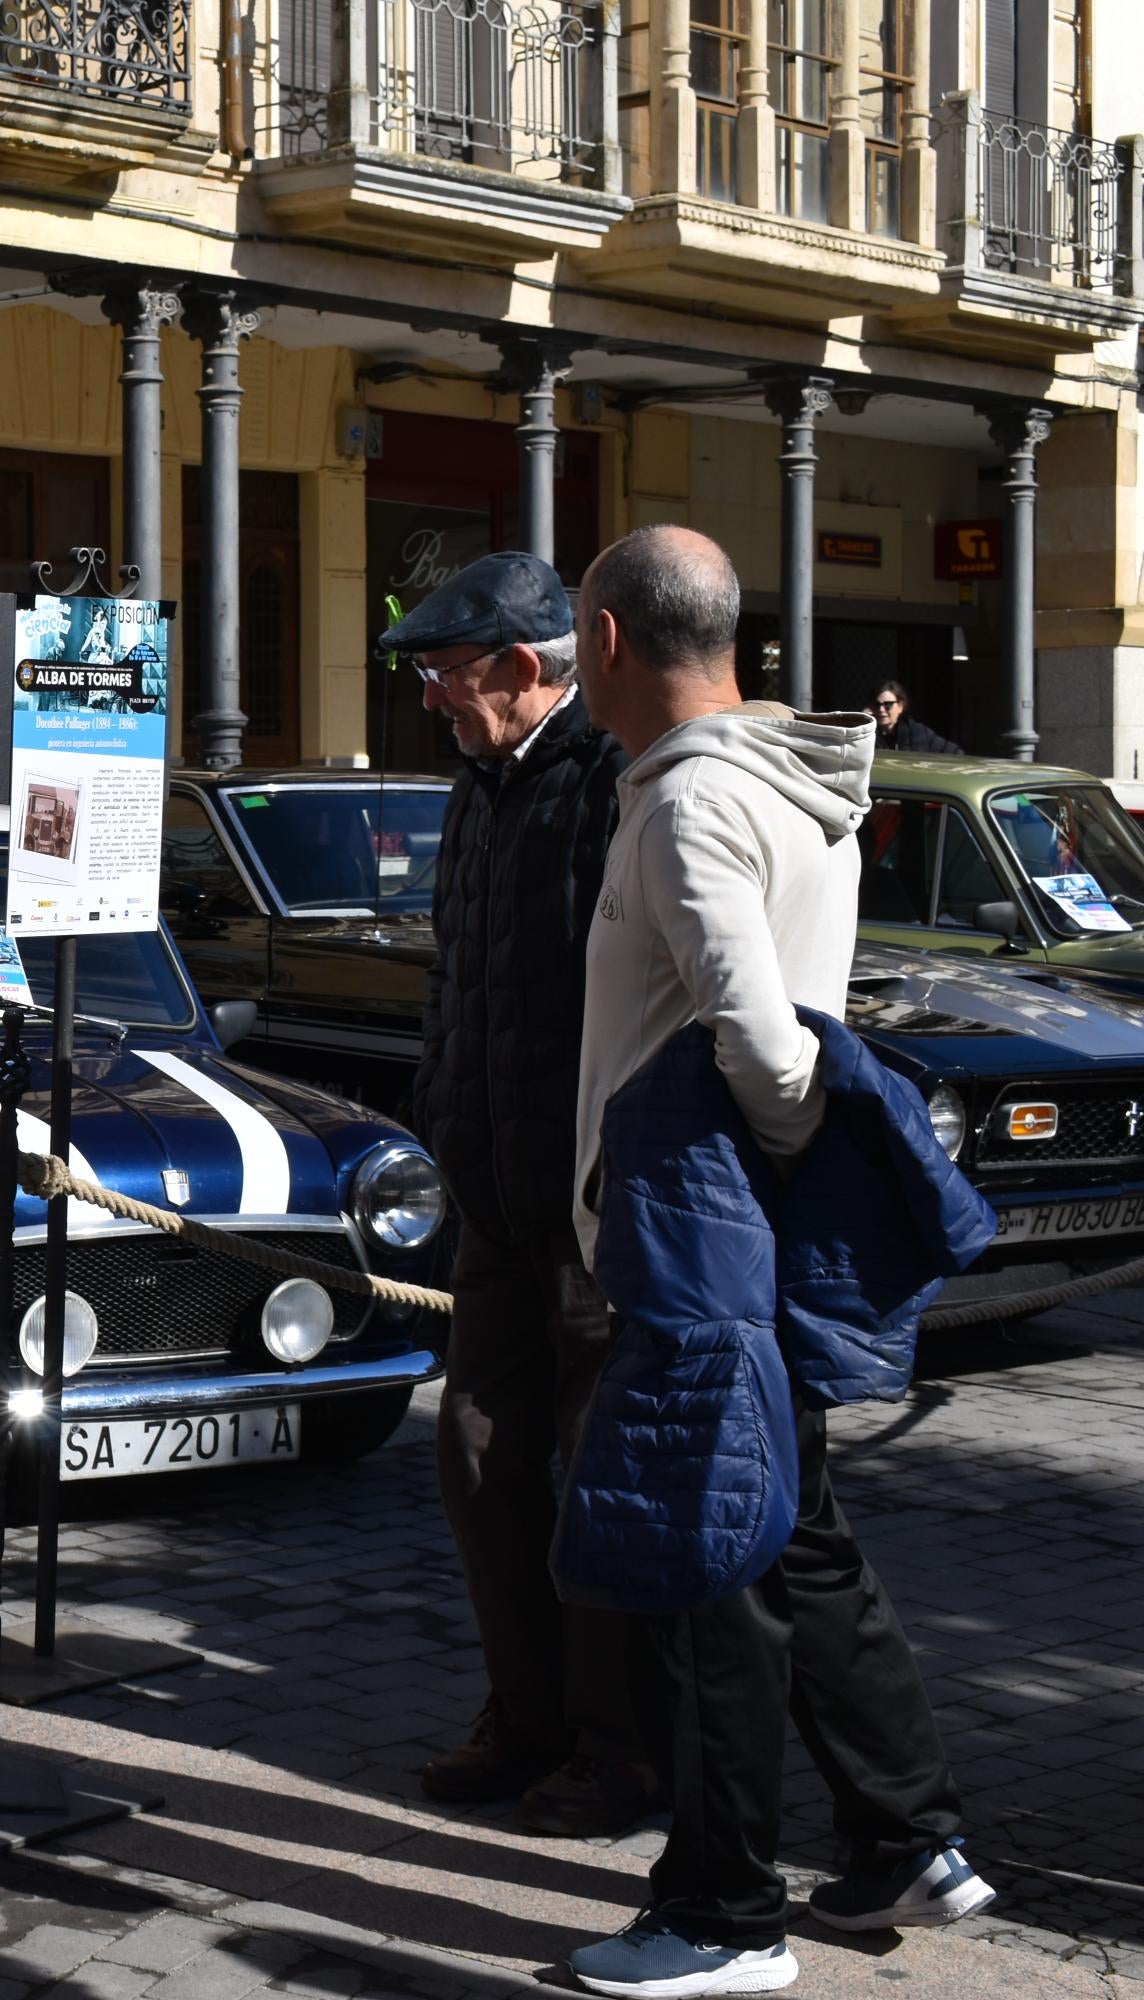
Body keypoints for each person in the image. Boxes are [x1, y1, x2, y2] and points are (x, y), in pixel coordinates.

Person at [563, 524, 991, 2000]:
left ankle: (721, 1919)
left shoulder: (688, 803)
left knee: (707, 1565)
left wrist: (773, 1160)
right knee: (796, 1535)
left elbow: (755, 1032)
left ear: (611, 640)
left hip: (703, 1228)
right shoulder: (788, 780)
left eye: (576, 638)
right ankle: (910, 1838)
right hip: (741, 1216)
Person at [388, 551, 655, 1839]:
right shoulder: (477, 788)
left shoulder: (611, 781)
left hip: (594, 1210)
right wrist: (445, 1109)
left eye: (449, 675)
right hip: (492, 1196)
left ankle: (619, 1747)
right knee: (481, 1456)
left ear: (530, 667)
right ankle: (527, 1709)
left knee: (598, 1483)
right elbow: (458, 977)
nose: (434, 699)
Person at [869, 679, 962, 754]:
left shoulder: (918, 732)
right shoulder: (868, 736)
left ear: (900, 706)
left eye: (888, 704)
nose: (881, 709)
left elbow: (956, 753)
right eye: (877, 704)